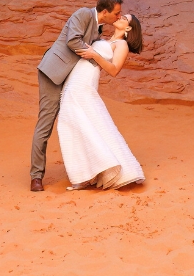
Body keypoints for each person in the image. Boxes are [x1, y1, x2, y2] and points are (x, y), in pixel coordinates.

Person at [30, 0, 123, 191]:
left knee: (75, 121)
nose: (118, 16)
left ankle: (86, 170)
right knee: (45, 124)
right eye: (116, 12)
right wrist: (94, 59)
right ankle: (36, 177)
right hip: (53, 73)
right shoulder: (83, 14)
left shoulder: (99, 27)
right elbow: (73, 41)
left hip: (70, 78)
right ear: (105, 12)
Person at [57, 13, 145, 190]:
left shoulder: (121, 44)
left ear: (128, 29)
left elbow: (114, 70)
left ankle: (85, 174)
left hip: (86, 81)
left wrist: (94, 54)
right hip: (75, 77)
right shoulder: (102, 37)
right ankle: (89, 171)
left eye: (124, 19)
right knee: (76, 122)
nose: (119, 18)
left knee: (77, 122)